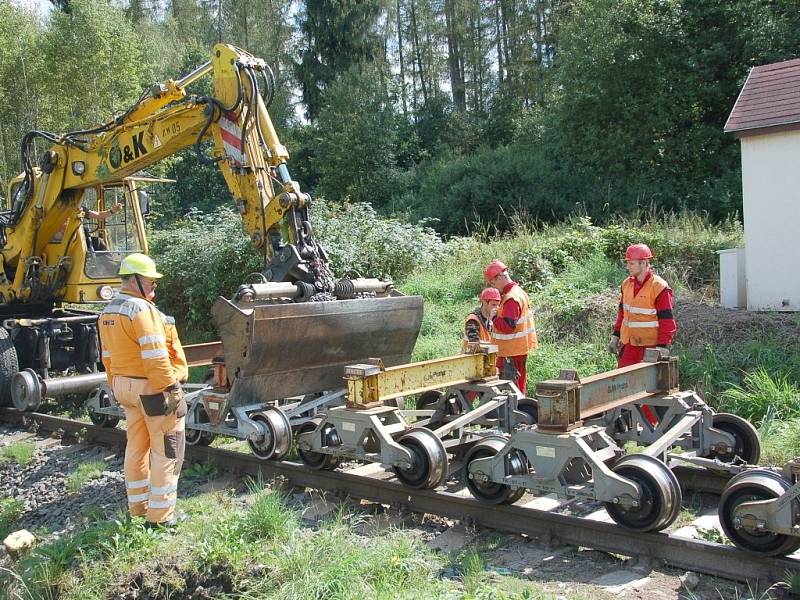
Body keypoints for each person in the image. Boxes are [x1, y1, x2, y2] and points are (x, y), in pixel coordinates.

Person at [98, 253, 188, 528]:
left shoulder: (108, 311)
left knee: (136, 448)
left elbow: (107, 357)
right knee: (166, 450)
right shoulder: (142, 310)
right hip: (152, 389)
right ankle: (161, 517)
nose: (154, 286)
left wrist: (115, 385)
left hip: (124, 387)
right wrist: (171, 389)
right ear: (135, 280)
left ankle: (138, 507)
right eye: (150, 281)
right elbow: (155, 357)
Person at [607, 243, 676, 423]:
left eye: (632, 263)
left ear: (645, 263)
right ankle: (624, 424)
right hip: (630, 345)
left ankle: (651, 429)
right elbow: (623, 313)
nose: (628, 266)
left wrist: (662, 347)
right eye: (628, 263)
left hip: (651, 349)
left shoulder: (659, 287)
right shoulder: (626, 285)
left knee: (649, 389)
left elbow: (667, 321)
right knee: (621, 386)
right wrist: (615, 336)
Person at [484, 260, 538, 394]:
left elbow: (508, 327)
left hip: (511, 353)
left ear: (500, 277)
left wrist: (495, 318)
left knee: (512, 390)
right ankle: (521, 411)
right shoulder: (518, 292)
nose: (494, 287)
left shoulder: (511, 298)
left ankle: (516, 412)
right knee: (518, 386)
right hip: (516, 350)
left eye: (493, 282)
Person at [462, 287, 501, 352]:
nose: (496, 308)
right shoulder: (473, 320)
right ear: (484, 302)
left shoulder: (494, 318)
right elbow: (474, 344)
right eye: (493, 305)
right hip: (471, 359)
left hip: (487, 358)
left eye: (498, 305)